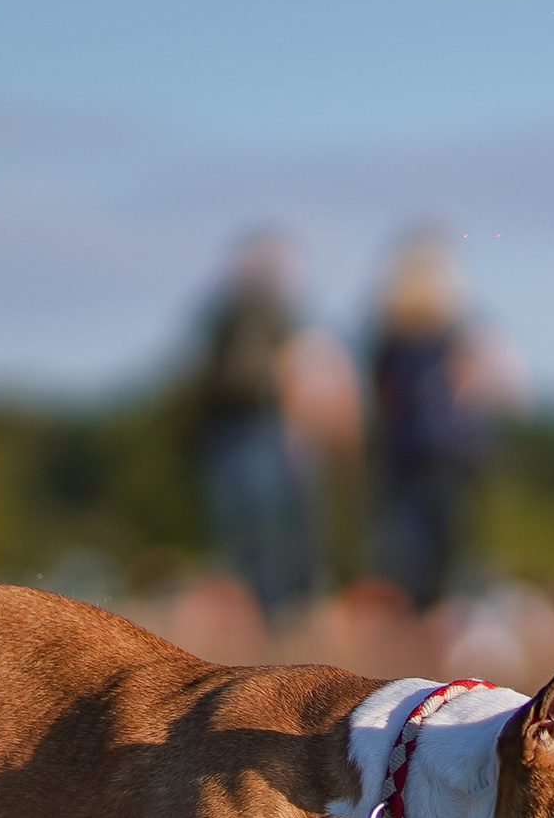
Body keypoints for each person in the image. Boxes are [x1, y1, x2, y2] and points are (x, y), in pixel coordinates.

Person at [187, 230, 357, 629]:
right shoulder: (230, 314)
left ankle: (279, 609)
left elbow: (296, 372)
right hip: (237, 429)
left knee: (271, 528)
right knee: (249, 529)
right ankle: (266, 608)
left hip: (262, 428)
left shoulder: (278, 314)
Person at [363, 229, 523, 612]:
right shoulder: (444, 333)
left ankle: (428, 607)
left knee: (422, 538)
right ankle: (432, 607)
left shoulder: (402, 335)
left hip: (419, 450)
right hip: (438, 451)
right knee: (435, 538)